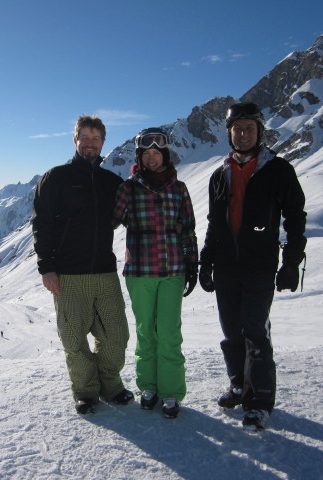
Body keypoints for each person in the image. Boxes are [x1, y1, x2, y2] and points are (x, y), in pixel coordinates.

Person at [199, 102, 307, 431]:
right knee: (231, 331)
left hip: (260, 266)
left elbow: (295, 217)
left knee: (255, 332)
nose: (243, 134)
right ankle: (238, 385)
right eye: (237, 129)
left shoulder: (278, 170)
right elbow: (214, 223)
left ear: (259, 131)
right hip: (227, 267)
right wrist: (206, 262)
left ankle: (259, 401)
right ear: (229, 134)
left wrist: (291, 262)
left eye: (249, 129)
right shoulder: (220, 174)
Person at [32, 114, 133, 415]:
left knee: (116, 335)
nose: (90, 143)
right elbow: (42, 224)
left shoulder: (111, 182)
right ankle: (86, 391)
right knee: (73, 338)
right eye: (84, 137)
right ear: (75, 139)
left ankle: (111, 384)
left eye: (96, 138)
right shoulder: (56, 178)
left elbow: (133, 217)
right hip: (68, 274)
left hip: (104, 270)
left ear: (103, 142)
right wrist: (46, 267)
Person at [113, 128, 198, 419]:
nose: (151, 158)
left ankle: (172, 392)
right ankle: (148, 386)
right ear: (140, 156)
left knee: (170, 333)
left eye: (156, 152)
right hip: (139, 271)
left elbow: (188, 229)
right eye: (146, 153)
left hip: (173, 271)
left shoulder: (179, 188)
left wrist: (192, 264)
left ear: (165, 154)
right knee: (145, 332)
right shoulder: (128, 188)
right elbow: (110, 220)